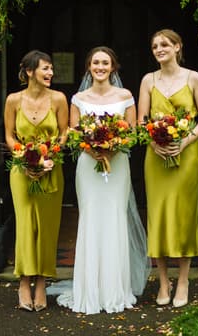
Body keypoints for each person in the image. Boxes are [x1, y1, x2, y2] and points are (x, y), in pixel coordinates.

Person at [56, 46, 150, 314]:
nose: (100, 67)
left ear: (113, 67)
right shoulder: (79, 98)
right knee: (91, 218)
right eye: (95, 62)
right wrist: (94, 149)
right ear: (89, 67)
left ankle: (115, 290)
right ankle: (89, 291)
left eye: (105, 63)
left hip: (118, 163)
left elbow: (132, 134)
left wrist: (112, 146)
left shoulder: (125, 96)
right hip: (89, 166)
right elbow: (74, 134)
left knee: (114, 218)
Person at [138, 29, 198, 308]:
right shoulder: (148, 80)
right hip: (155, 156)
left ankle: (183, 280)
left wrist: (184, 141)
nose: (159, 49)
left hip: (187, 155)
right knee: (158, 216)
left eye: (165, 44)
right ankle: (162, 281)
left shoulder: (193, 78)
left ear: (178, 47)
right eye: (155, 45)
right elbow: (142, 120)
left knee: (183, 215)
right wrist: (153, 142)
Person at [4, 50, 68, 312]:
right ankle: (24, 280)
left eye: (52, 68)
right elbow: (9, 136)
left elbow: (64, 133)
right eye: (45, 68)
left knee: (47, 226)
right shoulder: (13, 100)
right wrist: (26, 160)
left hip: (52, 169)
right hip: (21, 171)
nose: (50, 73)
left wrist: (49, 156)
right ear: (29, 72)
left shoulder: (59, 99)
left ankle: (41, 281)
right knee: (25, 225)